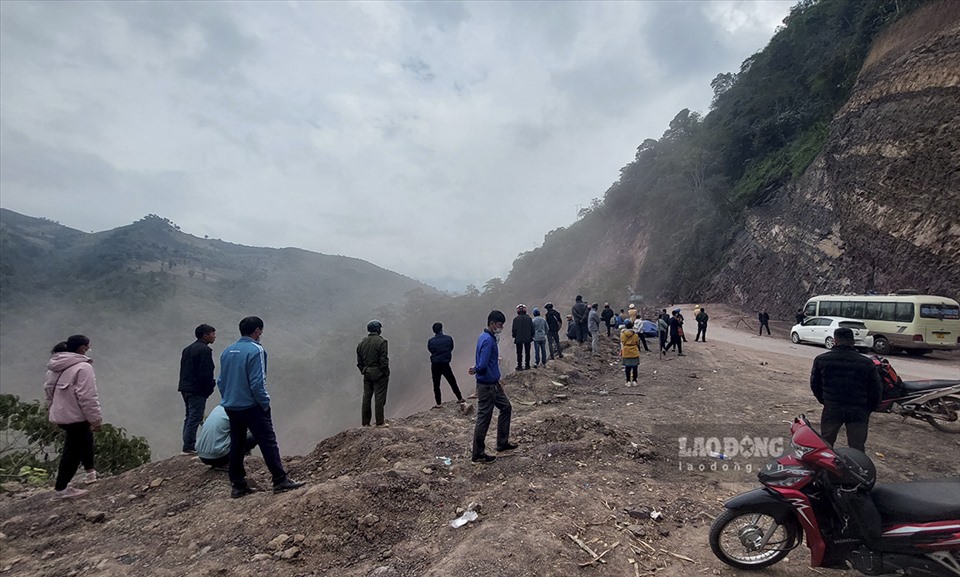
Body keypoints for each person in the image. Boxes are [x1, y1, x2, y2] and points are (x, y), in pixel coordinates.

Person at [218, 316, 304, 498]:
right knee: (267, 441)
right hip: (252, 406)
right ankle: (280, 480)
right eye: (261, 331)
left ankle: (238, 485)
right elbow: (258, 382)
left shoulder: (227, 351)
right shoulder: (256, 350)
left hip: (231, 406)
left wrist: (228, 398)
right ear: (257, 331)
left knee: (237, 443)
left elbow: (221, 381)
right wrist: (264, 403)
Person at [44, 335, 102, 499]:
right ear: (82, 348)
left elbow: (48, 393)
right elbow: (87, 396)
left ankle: (90, 473)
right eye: (87, 347)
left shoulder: (54, 367)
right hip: (76, 416)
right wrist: (96, 419)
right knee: (73, 451)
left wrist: (53, 413)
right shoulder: (83, 367)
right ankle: (62, 488)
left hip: (61, 415)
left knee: (84, 440)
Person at [810, 327, 883, 452]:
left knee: (826, 443)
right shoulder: (866, 363)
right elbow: (876, 389)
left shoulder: (821, 360)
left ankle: (825, 469)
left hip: (832, 408)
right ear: (853, 342)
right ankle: (857, 469)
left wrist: (826, 401)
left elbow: (815, 385)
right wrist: (869, 408)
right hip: (858, 410)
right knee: (857, 446)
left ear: (834, 341)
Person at [469, 310, 517, 464]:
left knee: (506, 407)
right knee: (484, 418)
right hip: (487, 386)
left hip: (494, 384)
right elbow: (482, 365)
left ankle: (502, 443)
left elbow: (485, 361)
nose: (501, 327)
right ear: (491, 323)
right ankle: (478, 454)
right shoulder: (488, 341)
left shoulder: (484, 337)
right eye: (499, 324)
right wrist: (476, 369)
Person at [178, 324, 217, 455]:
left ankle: (188, 444)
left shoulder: (187, 349)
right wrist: (210, 386)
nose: (214, 336)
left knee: (189, 416)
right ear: (205, 335)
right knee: (195, 416)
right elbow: (206, 372)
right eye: (212, 334)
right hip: (197, 389)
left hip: (186, 388)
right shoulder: (205, 350)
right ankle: (189, 446)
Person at [196, 405, 257, 470]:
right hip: (219, 457)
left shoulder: (218, 407)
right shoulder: (237, 409)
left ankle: (221, 462)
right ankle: (231, 462)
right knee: (258, 432)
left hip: (202, 456)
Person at [357, 320, 390, 426]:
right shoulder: (382, 342)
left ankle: (365, 423)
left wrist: (364, 370)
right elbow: (384, 360)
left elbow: (359, 361)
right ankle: (380, 422)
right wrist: (384, 372)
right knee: (379, 397)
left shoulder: (361, 343)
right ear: (377, 329)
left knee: (366, 397)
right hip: (379, 373)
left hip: (366, 373)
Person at [428, 322, 464, 408]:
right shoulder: (448, 339)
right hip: (445, 364)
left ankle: (439, 403)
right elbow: (451, 348)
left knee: (436, 385)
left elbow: (431, 350)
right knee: (452, 381)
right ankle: (459, 398)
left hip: (435, 365)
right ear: (441, 329)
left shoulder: (431, 341)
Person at [512, 304, 533, 370]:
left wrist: (514, 335)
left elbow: (514, 330)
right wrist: (531, 336)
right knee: (527, 352)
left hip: (518, 338)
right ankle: (527, 365)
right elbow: (532, 328)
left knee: (519, 353)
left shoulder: (515, 319)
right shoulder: (529, 318)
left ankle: (519, 366)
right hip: (527, 338)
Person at [620, 320, 641, 386]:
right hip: (634, 351)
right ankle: (634, 381)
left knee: (627, 367)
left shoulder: (623, 334)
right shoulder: (635, 335)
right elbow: (637, 343)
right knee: (635, 367)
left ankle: (628, 381)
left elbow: (622, 342)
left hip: (626, 351)